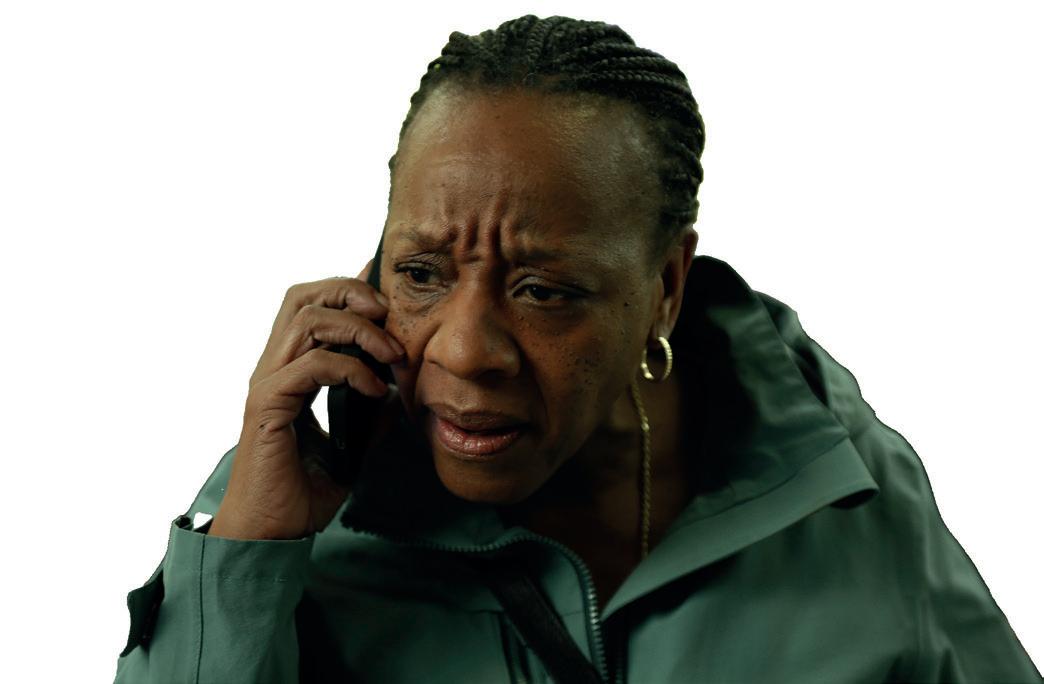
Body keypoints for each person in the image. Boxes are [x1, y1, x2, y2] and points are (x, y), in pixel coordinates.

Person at [113, 14, 1041, 683]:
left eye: (543, 291)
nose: (466, 351)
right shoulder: (287, 511)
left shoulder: (834, 479)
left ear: (665, 289)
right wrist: (245, 552)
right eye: (423, 273)